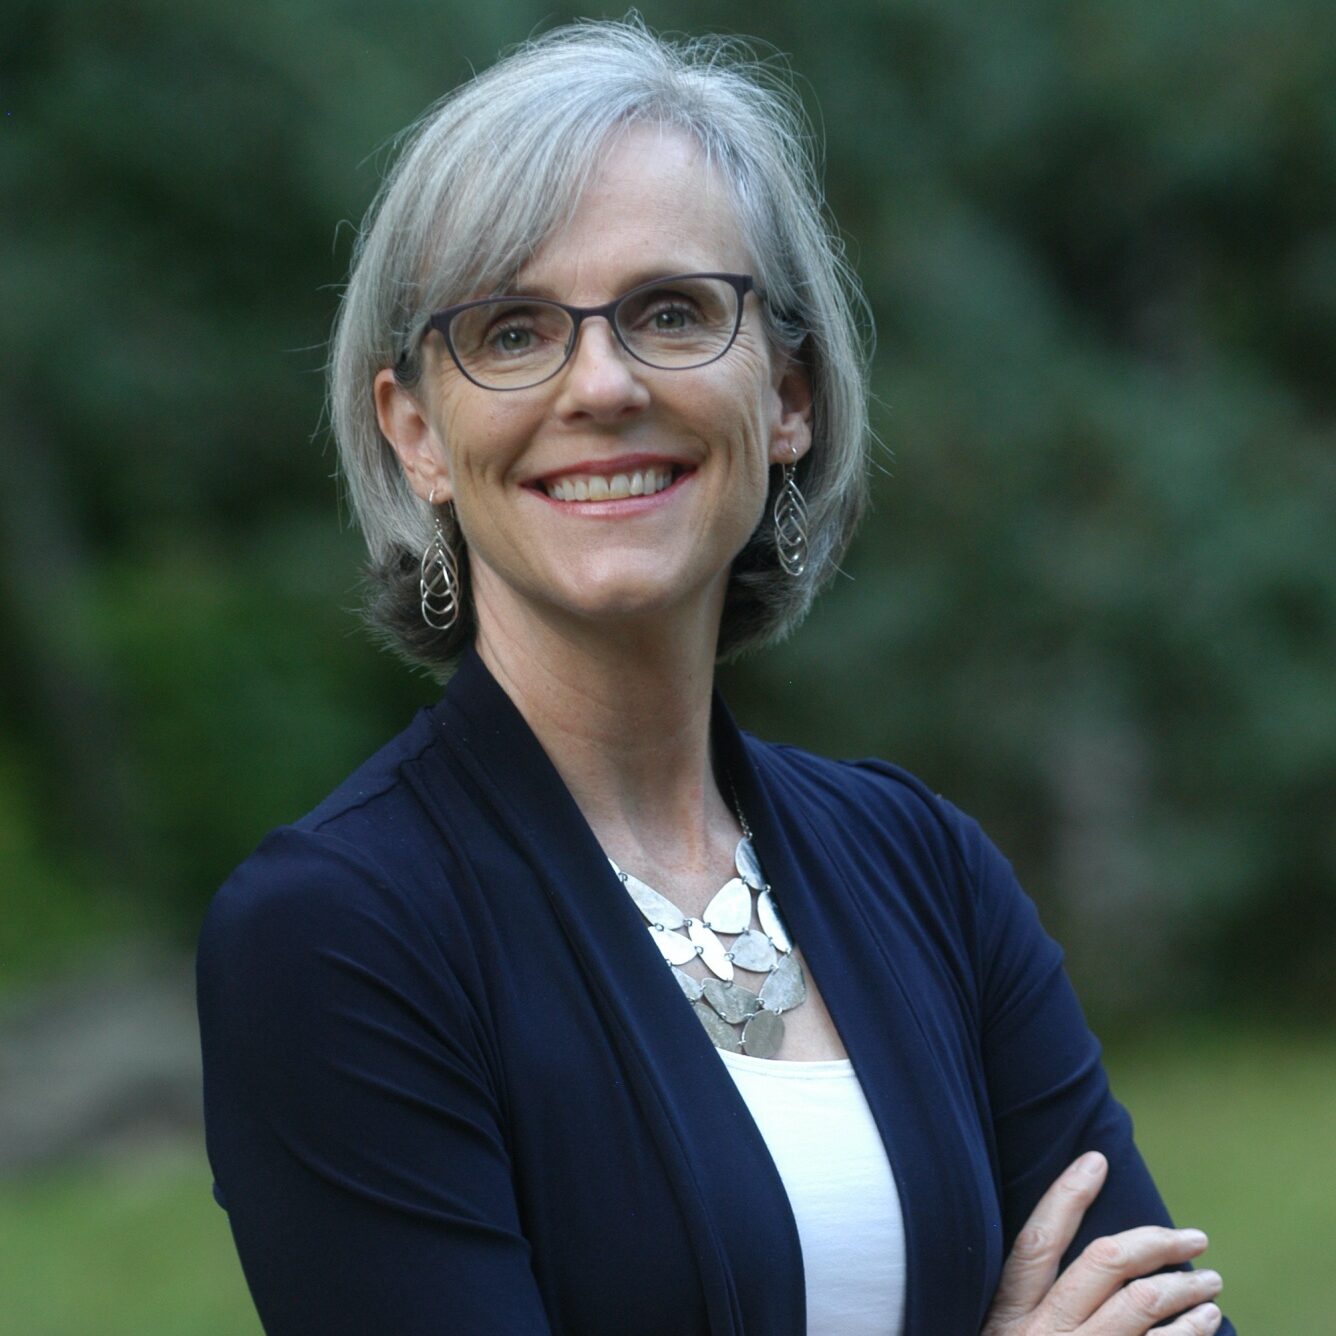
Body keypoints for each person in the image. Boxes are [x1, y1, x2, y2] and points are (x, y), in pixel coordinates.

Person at [196, 19, 1233, 1336]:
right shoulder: (337, 935)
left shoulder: (926, 869)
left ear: (787, 393)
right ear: (417, 436)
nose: (603, 383)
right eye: (513, 331)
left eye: (672, 312)